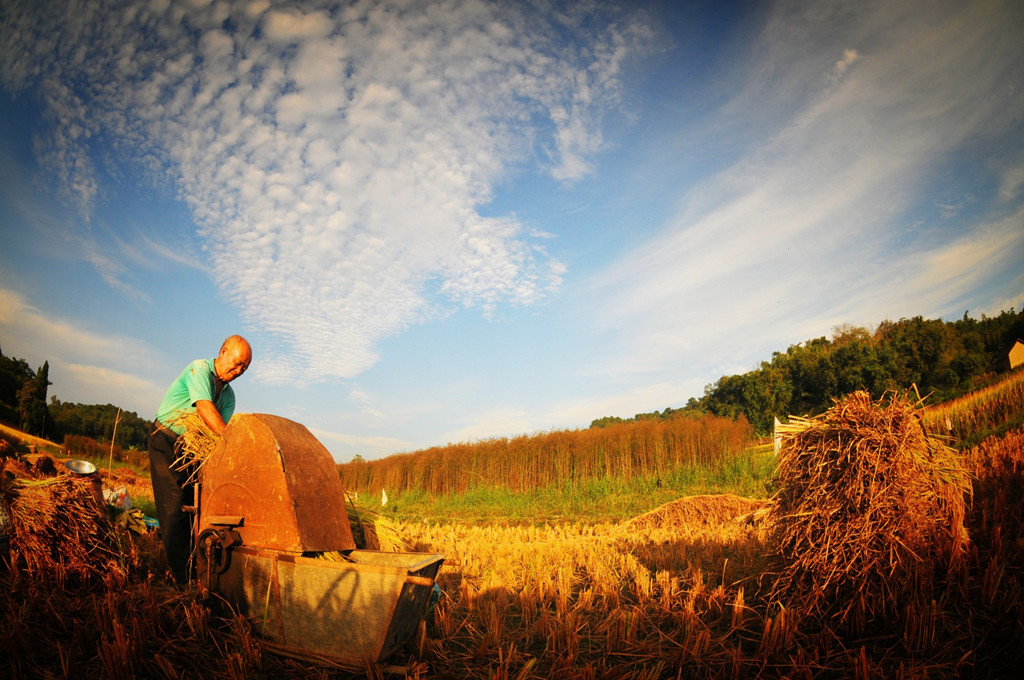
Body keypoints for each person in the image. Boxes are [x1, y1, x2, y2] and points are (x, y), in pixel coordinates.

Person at [148, 335, 252, 584]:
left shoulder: (229, 396)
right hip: (166, 440)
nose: (238, 371)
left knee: (198, 510)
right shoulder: (199, 369)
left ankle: (199, 570)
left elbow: (217, 435)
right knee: (174, 510)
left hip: (192, 451)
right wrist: (232, 447)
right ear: (223, 351)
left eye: (244, 368)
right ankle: (182, 581)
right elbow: (206, 410)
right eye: (236, 363)